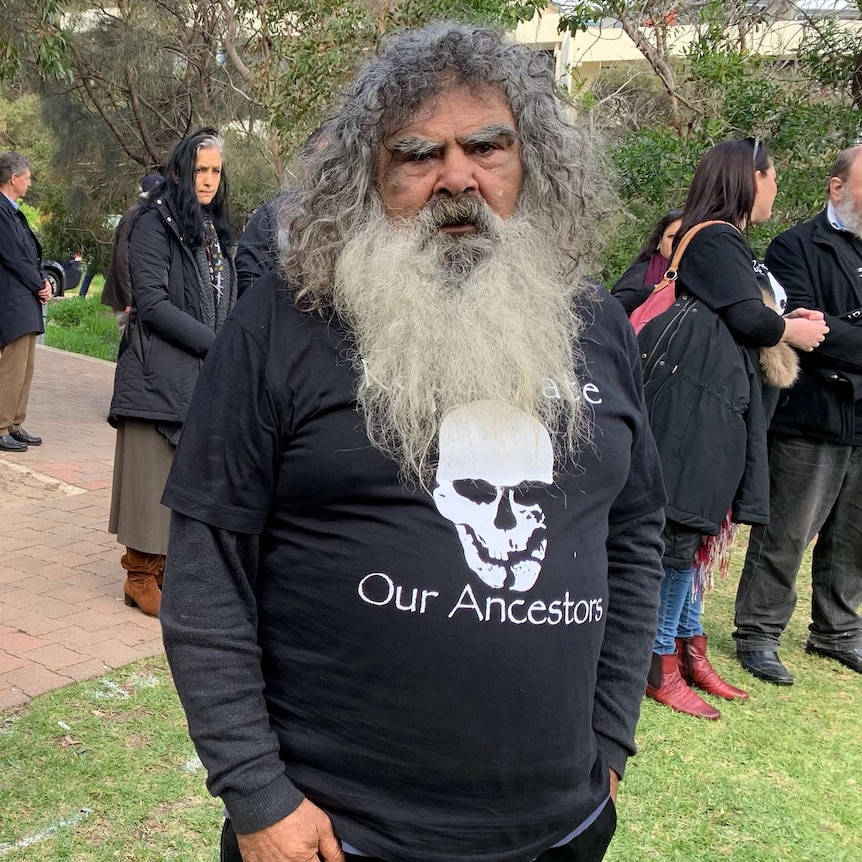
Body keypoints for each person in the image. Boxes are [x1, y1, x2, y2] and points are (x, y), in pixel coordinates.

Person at [160, 24, 668, 862]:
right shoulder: (284, 322)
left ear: (530, 160)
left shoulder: (596, 323)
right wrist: (256, 794)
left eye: (487, 147)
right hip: (337, 838)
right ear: (370, 176)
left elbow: (635, 532)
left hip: (561, 826)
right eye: (418, 154)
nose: (457, 178)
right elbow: (208, 557)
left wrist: (609, 739)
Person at [634, 138, 829, 719]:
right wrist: (788, 332)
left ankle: (689, 648)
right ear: (752, 178)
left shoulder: (721, 239)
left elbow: (739, 310)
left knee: (691, 539)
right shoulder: (717, 236)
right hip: (694, 413)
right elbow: (747, 316)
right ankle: (658, 660)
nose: (776, 190)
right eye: (772, 179)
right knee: (679, 537)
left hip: (708, 407)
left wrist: (782, 321)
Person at [734, 146, 862, 682]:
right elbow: (807, 335)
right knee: (786, 533)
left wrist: (841, 326)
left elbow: (834, 332)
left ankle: (836, 632)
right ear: (837, 188)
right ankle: (758, 633)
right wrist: (834, 330)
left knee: (853, 537)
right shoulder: (795, 246)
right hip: (810, 416)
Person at [107, 131, 235, 618]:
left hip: (200, 369)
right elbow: (153, 304)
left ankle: (162, 571)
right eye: (200, 170)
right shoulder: (152, 221)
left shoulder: (211, 226)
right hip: (157, 368)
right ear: (180, 171)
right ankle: (139, 575)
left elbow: (227, 296)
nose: (208, 180)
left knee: (180, 478)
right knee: (150, 475)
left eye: (215, 171)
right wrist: (217, 343)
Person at [0, 151, 52, 453]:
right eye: (28, 177)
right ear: (13, 178)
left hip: (25, 300)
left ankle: (15, 424)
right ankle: (2, 425)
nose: (30, 183)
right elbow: (14, 256)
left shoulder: (13, 212)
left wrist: (43, 280)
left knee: (26, 367)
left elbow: (31, 254)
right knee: (12, 367)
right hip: (12, 301)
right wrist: (39, 283)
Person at [101, 173, 163, 334]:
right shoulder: (137, 215)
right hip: (127, 300)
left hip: (133, 298)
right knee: (130, 349)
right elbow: (123, 258)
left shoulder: (140, 213)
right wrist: (129, 300)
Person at [610, 209, 683, 314]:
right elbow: (614, 309)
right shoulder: (642, 271)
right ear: (659, 240)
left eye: (683, 237)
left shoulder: (698, 275)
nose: (677, 242)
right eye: (671, 236)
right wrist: (651, 292)